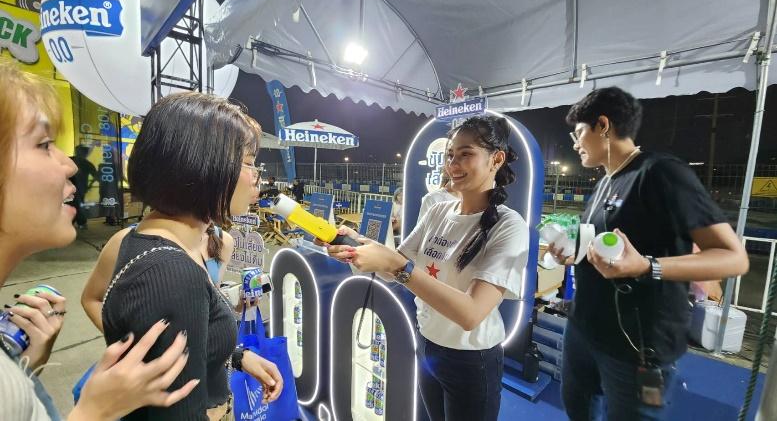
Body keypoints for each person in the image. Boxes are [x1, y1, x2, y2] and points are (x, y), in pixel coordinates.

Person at [0, 59, 199, 421]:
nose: (71, 165)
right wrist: (94, 412)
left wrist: (23, 367)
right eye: (44, 144)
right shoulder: (157, 256)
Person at [549, 87, 749, 420]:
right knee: (576, 406)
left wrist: (647, 266)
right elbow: (606, 248)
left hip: (634, 347)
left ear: (603, 125)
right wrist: (575, 255)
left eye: (579, 132)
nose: (575, 142)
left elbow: (733, 257)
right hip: (584, 328)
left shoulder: (661, 172)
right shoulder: (604, 182)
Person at [324, 116, 529, 421]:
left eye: (466, 154)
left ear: (496, 160)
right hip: (428, 346)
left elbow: (471, 313)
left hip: (472, 361)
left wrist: (396, 264)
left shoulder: (509, 226)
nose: (453, 164)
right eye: (450, 155)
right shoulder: (438, 210)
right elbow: (394, 265)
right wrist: (356, 247)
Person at [100, 92, 283, 420]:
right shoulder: (171, 272)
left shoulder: (157, 243)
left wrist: (237, 358)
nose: (256, 178)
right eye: (249, 164)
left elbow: (185, 345)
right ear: (205, 166)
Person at [82, 222, 235, 332]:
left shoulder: (223, 240)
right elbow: (92, 299)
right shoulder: (128, 240)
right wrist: (126, 345)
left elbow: (212, 299)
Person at [67, 145, 98, 229]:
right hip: (78, 189)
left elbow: (96, 176)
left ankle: (76, 222)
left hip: (77, 189)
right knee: (76, 205)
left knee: (75, 205)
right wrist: (89, 185)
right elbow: (96, 176)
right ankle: (79, 222)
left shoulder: (71, 160)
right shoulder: (85, 163)